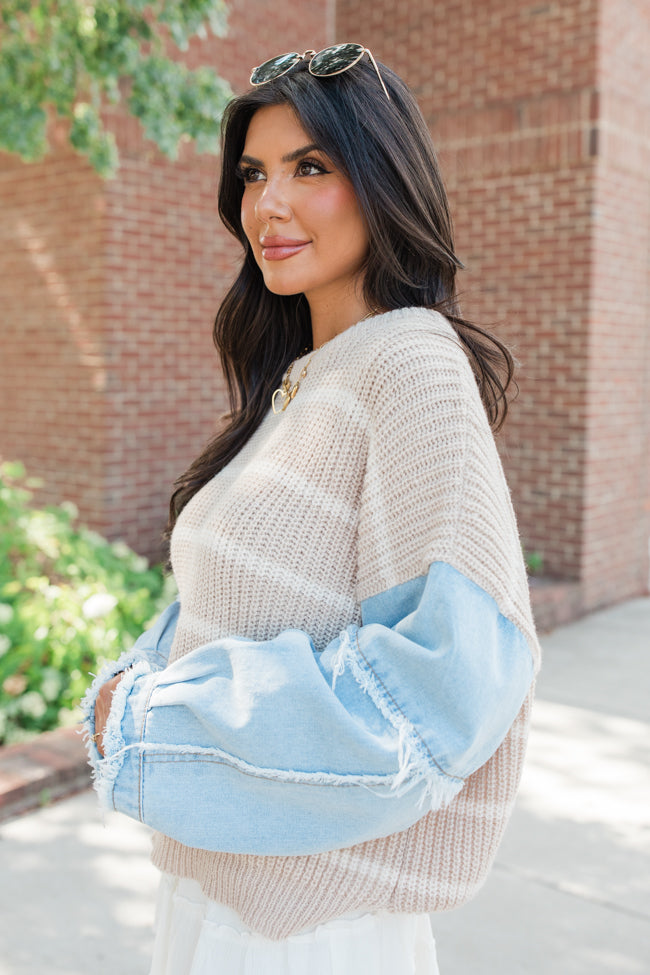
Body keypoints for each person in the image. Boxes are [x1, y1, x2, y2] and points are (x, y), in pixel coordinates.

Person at [84, 43, 541, 975]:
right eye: (253, 174)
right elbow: (228, 608)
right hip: (219, 895)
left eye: (311, 168)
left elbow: (441, 691)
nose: (269, 205)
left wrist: (142, 719)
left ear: (380, 180)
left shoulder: (408, 363)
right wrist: (130, 688)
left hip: (309, 932)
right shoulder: (300, 379)